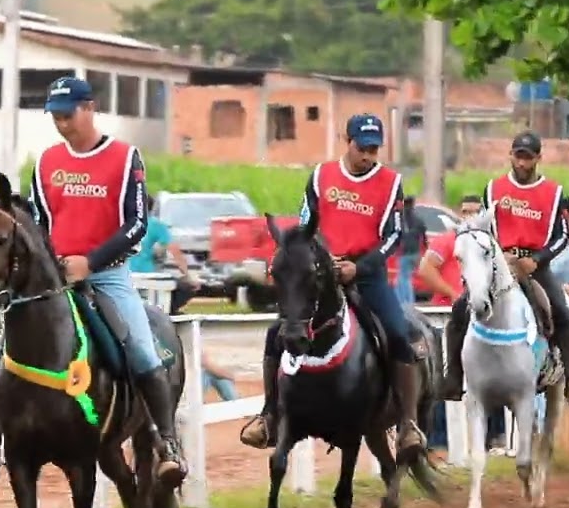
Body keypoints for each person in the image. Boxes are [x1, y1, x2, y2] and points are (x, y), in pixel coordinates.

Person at [0, 75, 186, 488]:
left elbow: (136, 224)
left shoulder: (124, 157)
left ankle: (166, 444)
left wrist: (91, 262)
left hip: (108, 274)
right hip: (52, 276)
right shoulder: (47, 162)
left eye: (67, 114)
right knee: (1, 354)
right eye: (55, 117)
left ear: (90, 107)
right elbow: (38, 224)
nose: (61, 123)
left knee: (143, 351)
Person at [239, 113, 426, 453]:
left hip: (367, 275)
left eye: (374, 149)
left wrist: (360, 267)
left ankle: (408, 422)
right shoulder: (322, 176)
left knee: (400, 333)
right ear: (347, 141)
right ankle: (269, 415)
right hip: (323, 274)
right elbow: (306, 224)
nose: (368, 156)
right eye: (362, 148)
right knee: (276, 333)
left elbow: (393, 235)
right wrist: (314, 259)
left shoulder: (390, 182)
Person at [438, 131, 569, 411]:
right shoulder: (493, 188)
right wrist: (496, 254)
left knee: (561, 312)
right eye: (518, 156)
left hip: (535, 266)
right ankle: (454, 377)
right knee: (460, 309)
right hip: (500, 263)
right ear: (510, 155)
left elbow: (561, 235)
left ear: (538, 158)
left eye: (528, 158)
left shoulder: (553, 193)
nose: (522, 163)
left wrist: (538, 258)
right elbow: (484, 228)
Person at [134, 191, 199, 315]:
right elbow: (175, 252)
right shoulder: (155, 225)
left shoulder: (120, 223)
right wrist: (187, 276)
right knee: (186, 287)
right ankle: (169, 312)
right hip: (147, 274)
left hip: (124, 275)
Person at [394, 196, 427, 305]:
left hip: (406, 252)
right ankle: (405, 300)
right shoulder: (418, 219)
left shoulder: (403, 218)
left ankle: (406, 302)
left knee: (403, 278)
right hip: (415, 252)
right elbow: (424, 234)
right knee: (405, 276)